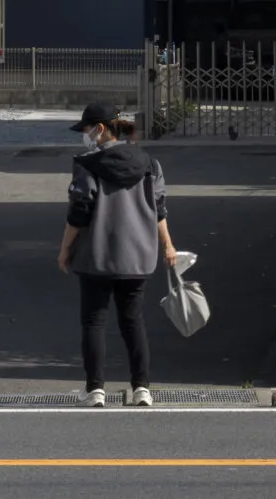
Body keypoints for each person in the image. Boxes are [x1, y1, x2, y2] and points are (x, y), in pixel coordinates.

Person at [56, 101, 176, 408]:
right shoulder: (149, 163)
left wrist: (65, 249)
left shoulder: (87, 164)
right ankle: (142, 389)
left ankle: (95, 390)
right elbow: (158, 209)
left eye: (86, 129)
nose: (84, 135)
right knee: (133, 321)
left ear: (99, 128)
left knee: (94, 322)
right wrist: (168, 244)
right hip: (138, 256)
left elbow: (80, 211)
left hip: (96, 255)